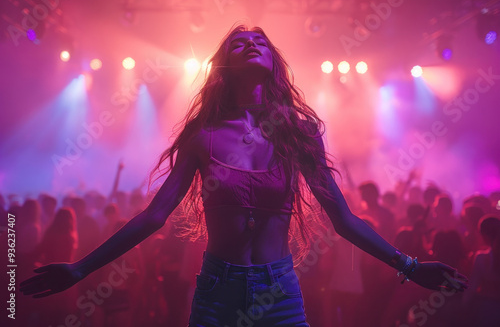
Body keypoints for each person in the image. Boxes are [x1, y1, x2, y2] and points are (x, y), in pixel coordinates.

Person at [20, 25, 468, 326]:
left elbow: (343, 220)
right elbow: (153, 217)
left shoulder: (299, 133)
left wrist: (410, 266)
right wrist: (80, 268)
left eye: (261, 41)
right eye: (239, 42)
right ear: (223, 66)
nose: (252, 43)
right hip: (217, 291)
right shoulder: (203, 135)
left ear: (274, 61)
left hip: (279, 289)